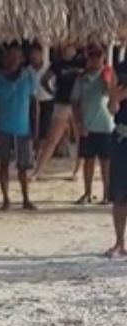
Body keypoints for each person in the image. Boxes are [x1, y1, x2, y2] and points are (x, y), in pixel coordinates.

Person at [0, 44, 38, 211]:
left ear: (21, 59)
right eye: (8, 57)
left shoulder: (29, 77)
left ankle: (26, 198)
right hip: (3, 128)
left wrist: (35, 129)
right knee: (4, 164)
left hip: (23, 128)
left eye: (15, 57)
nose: (11, 61)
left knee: (24, 167)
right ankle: (6, 198)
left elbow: (34, 105)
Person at [70, 44, 115, 205]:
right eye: (92, 55)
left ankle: (107, 194)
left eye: (98, 55)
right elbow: (74, 103)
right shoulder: (82, 78)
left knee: (106, 163)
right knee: (88, 161)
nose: (95, 59)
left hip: (106, 125)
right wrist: (79, 123)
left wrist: (107, 79)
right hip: (88, 125)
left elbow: (111, 94)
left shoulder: (109, 74)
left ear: (103, 57)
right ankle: (87, 193)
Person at [34, 44, 85, 180]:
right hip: (62, 102)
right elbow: (45, 79)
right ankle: (38, 170)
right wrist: (52, 92)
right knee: (52, 138)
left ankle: (77, 170)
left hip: (78, 103)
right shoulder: (57, 63)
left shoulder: (82, 60)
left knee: (81, 139)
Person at [103, 64, 127, 257]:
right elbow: (111, 109)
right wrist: (116, 99)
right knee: (119, 195)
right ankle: (119, 242)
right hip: (122, 139)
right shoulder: (119, 71)